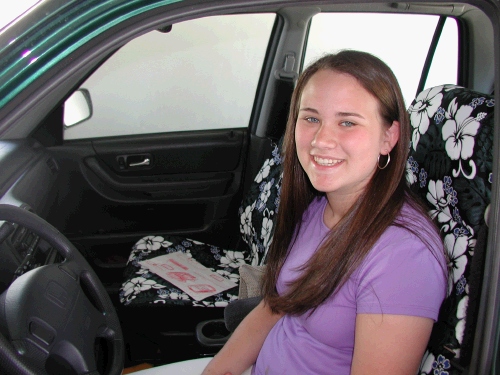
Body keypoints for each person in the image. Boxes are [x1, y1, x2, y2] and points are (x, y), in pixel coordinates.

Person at [200, 50, 448, 375]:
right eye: (311, 118)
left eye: (347, 122)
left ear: (389, 137)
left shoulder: (403, 255)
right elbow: (273, 308)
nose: (321, 139)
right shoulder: (320, 206)